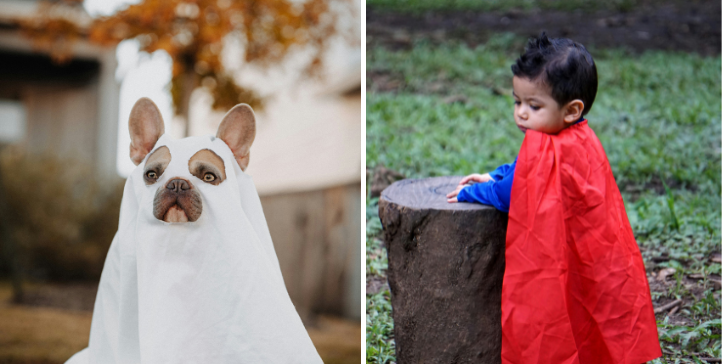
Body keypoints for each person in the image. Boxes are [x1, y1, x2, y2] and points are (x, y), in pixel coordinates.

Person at [447, 33, 662, 364]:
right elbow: (522, 171)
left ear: (572, 110)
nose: (521, 113)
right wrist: (496, 174)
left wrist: (472, 192)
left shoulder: (550, 146)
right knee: (588, 312)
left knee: (554, 318)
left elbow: (511, 194)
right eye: (517, 101)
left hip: (565, 254)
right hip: (592, 253)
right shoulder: (580, 138)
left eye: (534, 106)